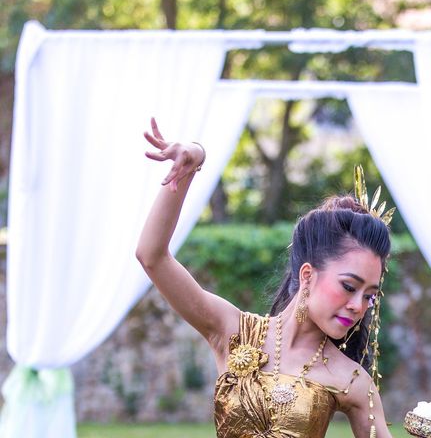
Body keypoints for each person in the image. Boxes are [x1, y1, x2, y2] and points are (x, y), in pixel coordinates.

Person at [136, 118, 395, 438]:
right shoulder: (233, 331)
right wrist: (193, 160)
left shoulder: (353, 381)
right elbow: (152, 256)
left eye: (370, 295)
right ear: (308, 275)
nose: (359, 306)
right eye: (349, 286)